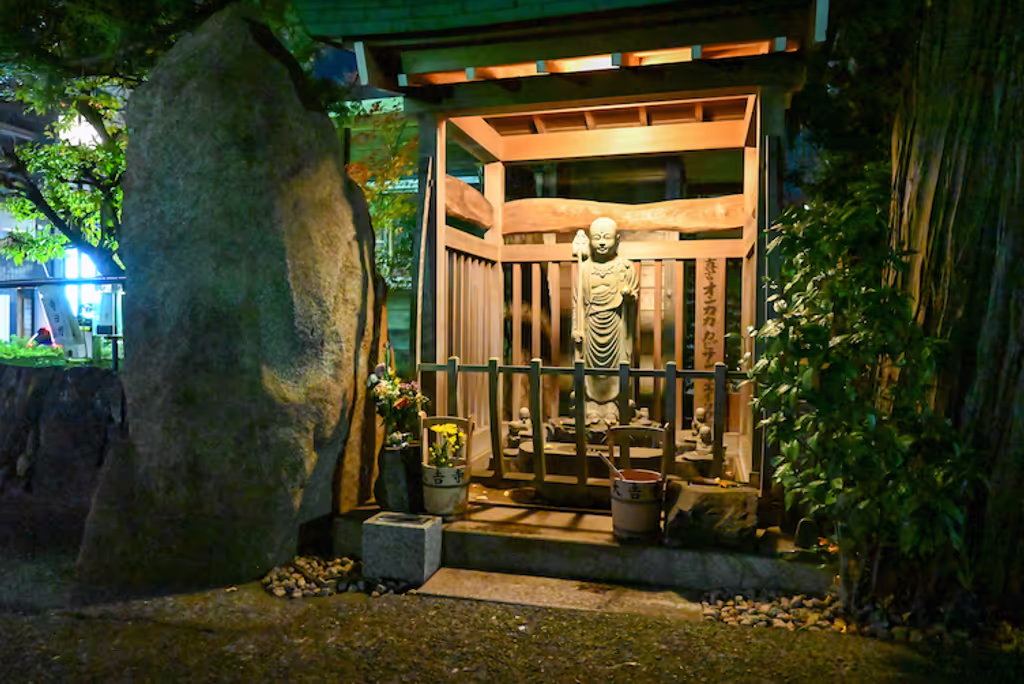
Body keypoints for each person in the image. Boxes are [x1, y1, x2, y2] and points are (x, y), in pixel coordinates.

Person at [571, 217, 638, 425]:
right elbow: (577, 302)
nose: (601, 242)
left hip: (616, 324)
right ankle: (591, 404)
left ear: (617, 240)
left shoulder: (626, 268)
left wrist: (628, 297)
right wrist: (576, 327)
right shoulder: (584, 268)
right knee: (590, 368)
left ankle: (614, 406)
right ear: (590, 240)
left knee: (616, 366)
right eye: (597, 238)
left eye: (607, 238)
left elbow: (631, 296)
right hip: (591, 324)